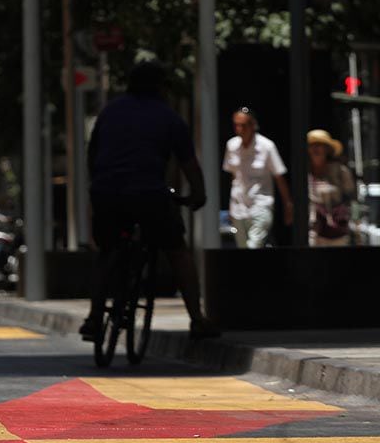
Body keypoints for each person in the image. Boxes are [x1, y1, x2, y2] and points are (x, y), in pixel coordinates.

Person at [79, 61, 218, 341]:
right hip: (149, 195)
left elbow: (92, 156)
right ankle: (197, 319)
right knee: (177, 251)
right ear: (161, 88)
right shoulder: (168, 117)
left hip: (107, 193)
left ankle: (94, 317)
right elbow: (189, 164)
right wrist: (198, 195)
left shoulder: (110, 112)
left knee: (106, 253)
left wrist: (99, 188)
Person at [222, 107, 293, 248]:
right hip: (238, 207)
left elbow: (279, 177)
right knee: (243, 250)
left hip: (261, 205)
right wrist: (230, 206)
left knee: (253, 246)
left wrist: (288, 205)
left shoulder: (267, 146)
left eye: (243, 125)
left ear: (253, 125)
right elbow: (234, 176)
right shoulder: (231, 145)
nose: (239, 129)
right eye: (236, 125)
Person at [306, 129, 355, 247]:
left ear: (327, 149)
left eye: (320, 145)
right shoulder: (304, 172)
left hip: (338, 231)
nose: (316, 148)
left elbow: (351, 197)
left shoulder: (340, 171)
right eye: (312, 145)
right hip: (314, 231)